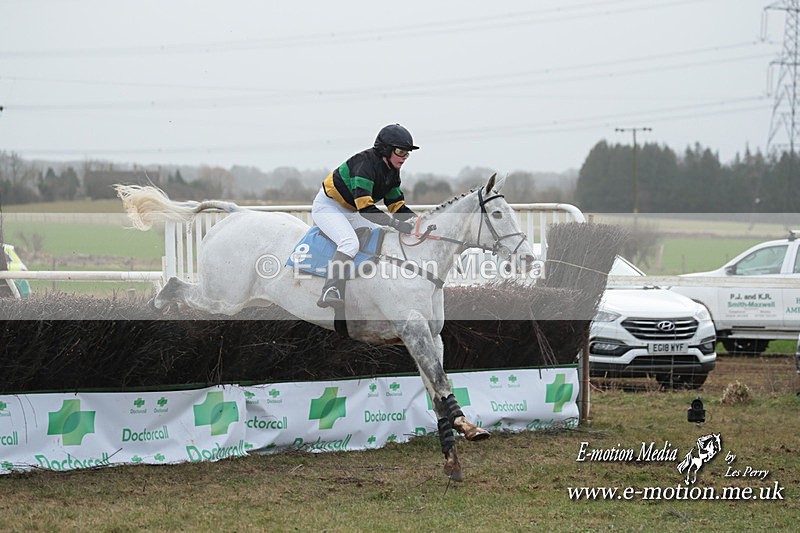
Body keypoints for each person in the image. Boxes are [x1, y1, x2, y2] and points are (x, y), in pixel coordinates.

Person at [312, 124, 419, 308]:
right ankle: (330, 289)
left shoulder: (392, 170)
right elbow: (366, 209)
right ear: (386, 149)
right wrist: (395, 224)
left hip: (351, 209)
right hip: (329, 206)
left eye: (407, 153)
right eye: (401, 152)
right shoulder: (365, 165)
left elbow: (396, 204)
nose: (405, 158)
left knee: (381, 235)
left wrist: (419, 223)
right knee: (349, 243)